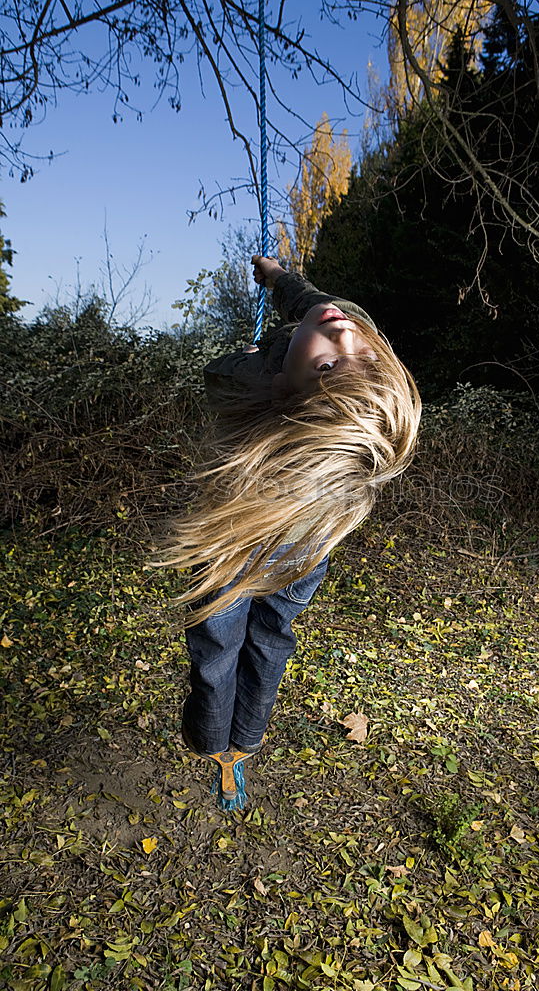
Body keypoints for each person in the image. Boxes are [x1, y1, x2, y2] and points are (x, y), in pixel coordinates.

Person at [163, 256, 421, 809]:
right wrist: (280, 280)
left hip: (238, 535)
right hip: (308, 539)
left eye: (330, 366)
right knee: (272, 638)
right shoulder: (348, 339)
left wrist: (259, 365)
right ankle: (246, 739)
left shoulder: (263, 387)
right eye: (364, 352)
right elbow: (320, 308)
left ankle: (217, 745)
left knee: (217, 647)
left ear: (286, 391)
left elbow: (217, 374)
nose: (347, 332)